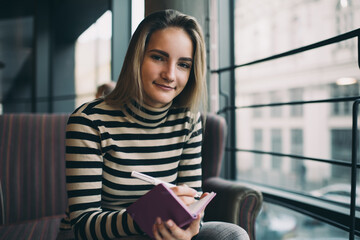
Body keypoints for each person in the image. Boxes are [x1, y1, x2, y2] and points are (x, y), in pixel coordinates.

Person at [59, 9, 249, 240]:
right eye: (158, 57)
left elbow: (192, 204)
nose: (170, 74)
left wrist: (189, 229)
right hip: (101, 235)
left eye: (184, 65)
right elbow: (83, 224)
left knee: (232, 235)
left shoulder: (188, 120)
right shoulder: (89, 121)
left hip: (160, 232)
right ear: (136, 59)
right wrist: (148, 214)